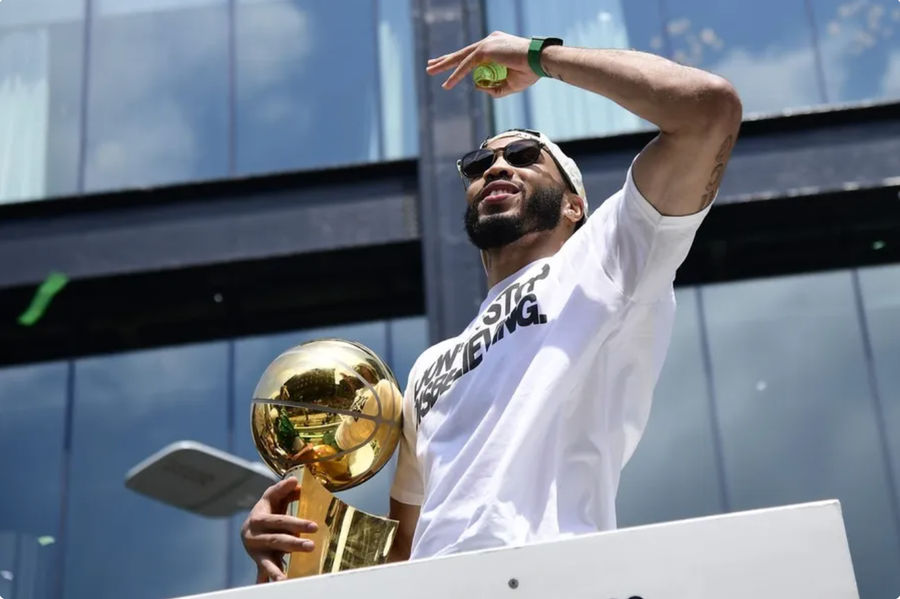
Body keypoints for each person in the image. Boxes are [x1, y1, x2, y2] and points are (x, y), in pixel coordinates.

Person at [241, 30, 742, 581]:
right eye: (478, 164)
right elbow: (407, 545)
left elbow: (708, 109)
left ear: (576, 204)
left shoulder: (608, 257)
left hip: (556, 579)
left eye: (525, 155)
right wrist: (293, 540)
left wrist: (539, 57)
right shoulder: (430, 367)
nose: (496, 168)